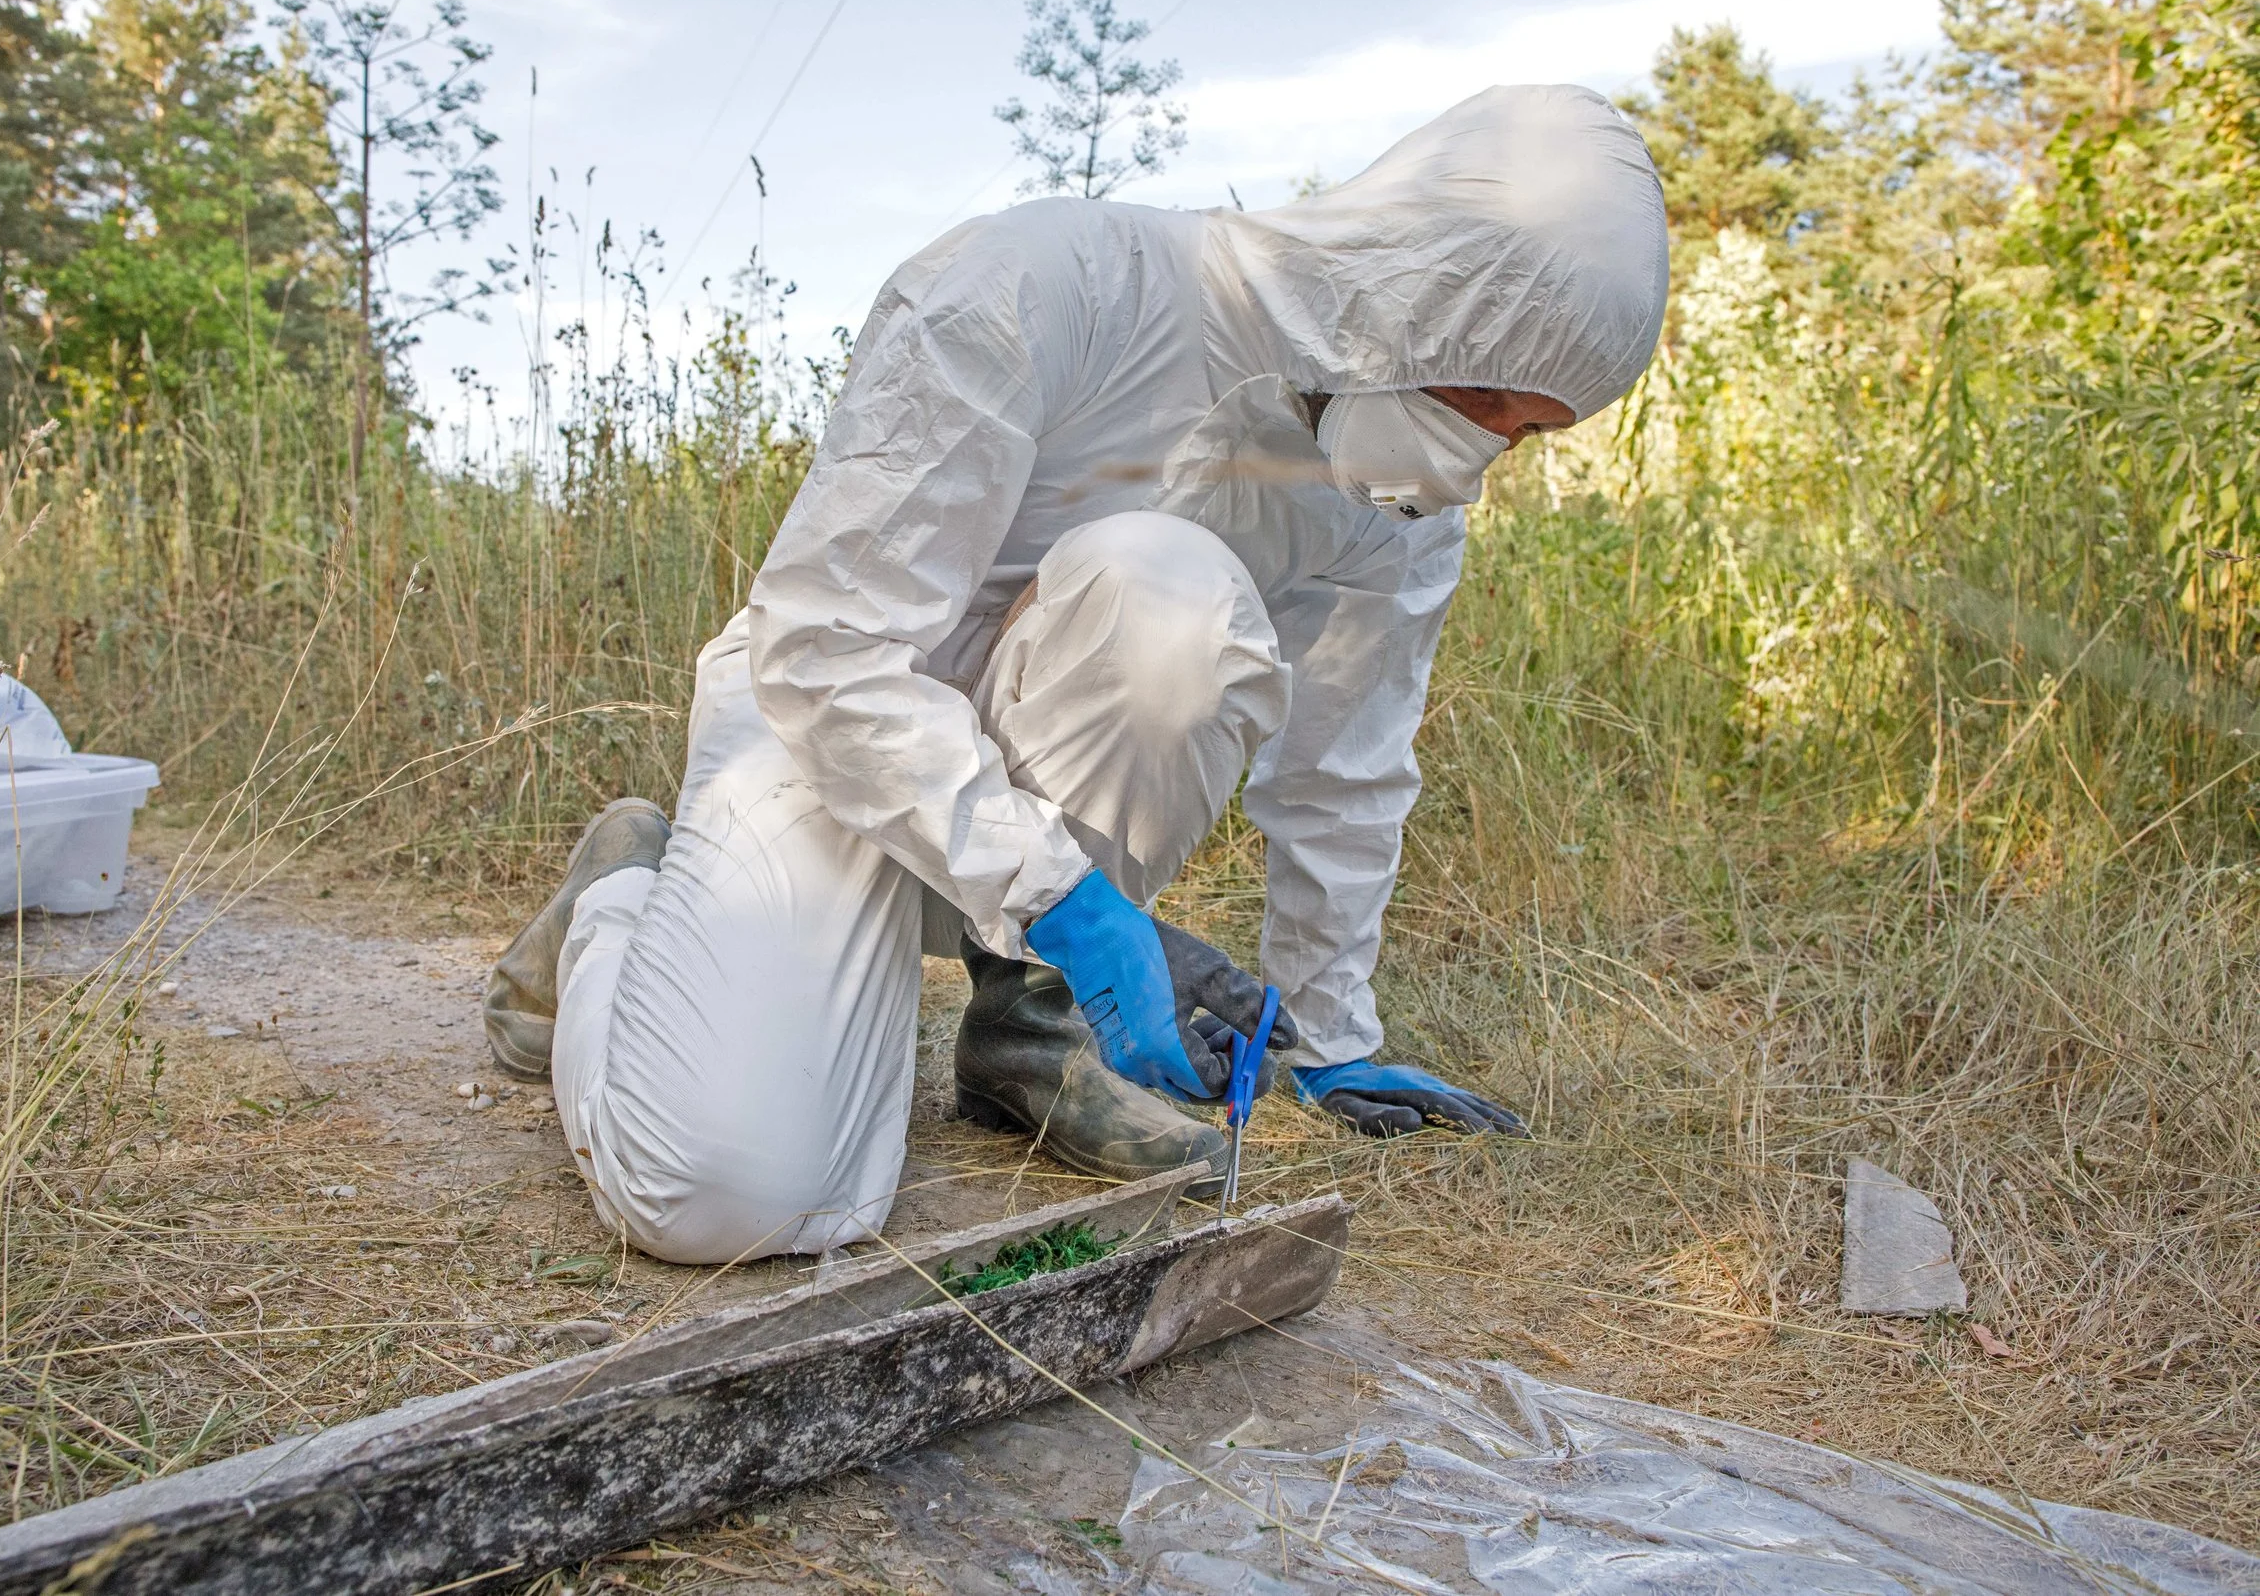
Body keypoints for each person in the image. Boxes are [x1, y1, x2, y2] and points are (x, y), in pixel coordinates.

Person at [482, 84, 1669, 1265]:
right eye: (1478, 406)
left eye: (1522, 440)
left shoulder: (1393, 506)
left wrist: (1329, 1037)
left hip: (1013, 842)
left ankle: (1029, 1035)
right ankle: (619, 902)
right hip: (822, 741)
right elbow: (827, 648)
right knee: (736, 1194)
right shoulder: (1052, 284)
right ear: (1410, 301)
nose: (1471, 473)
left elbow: (1345, 773)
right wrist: (1068, 897)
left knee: (1172, 606)